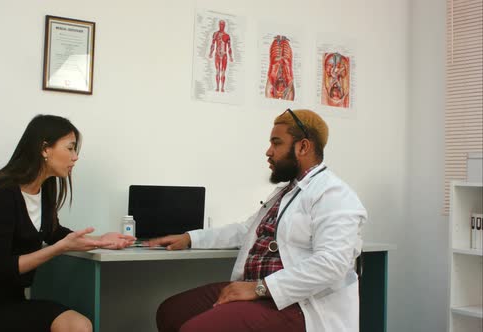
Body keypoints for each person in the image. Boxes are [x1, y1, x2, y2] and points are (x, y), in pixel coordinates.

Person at [149, 109, 367, 332]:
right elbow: (245, 232)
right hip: (258, 291)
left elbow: (332, 264)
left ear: (303, 147)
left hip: (298, 304)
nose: (268, 151)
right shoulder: (286, 193)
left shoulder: (333, 194)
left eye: (276, 143)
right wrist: (190, 238)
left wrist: (260, 288)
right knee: (171, 312)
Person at [0, 115, 136, 332]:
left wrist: (100, 241)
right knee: (77, 326)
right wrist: (58, 250)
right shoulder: (2, 193)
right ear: (45, 149)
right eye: (71, 148)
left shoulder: (43, 189)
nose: (75, 157)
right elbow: (0, 269)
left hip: (12, 304)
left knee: (78, 324)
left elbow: (54, 233)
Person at [209, 19, 233, 92]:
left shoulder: (227, 36)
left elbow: (229, 47)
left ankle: (222, 88)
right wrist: (211, 53)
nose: (221, 26)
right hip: (217, 55)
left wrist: (231, 56)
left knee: (223, 72)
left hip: (224, 55)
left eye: (223, 25)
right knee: (217, 71)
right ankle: (217, 87)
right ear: (219, 25)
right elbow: (213, 44)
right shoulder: (215, 34)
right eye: (220, 24)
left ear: (224, 26)